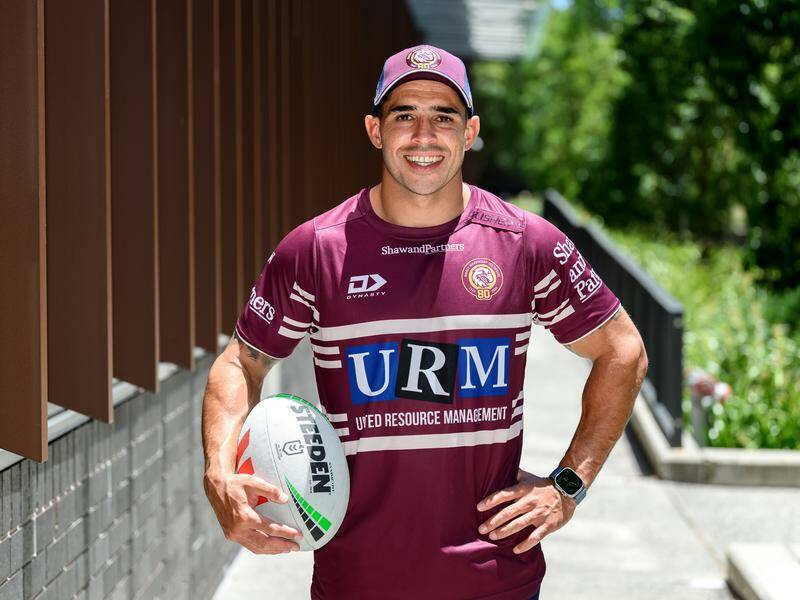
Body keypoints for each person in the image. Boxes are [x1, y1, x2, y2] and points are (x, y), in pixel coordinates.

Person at [202, 44, 648, 600]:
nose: (423, 135)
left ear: (469, 131)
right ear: (374, 129)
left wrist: (568, 484)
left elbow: (623, 350)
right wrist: (219, 470)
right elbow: (241, 362)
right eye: (403, 115)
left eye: (444, 116)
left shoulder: (525, 243)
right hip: (357, 580)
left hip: (495, 580)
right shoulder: (316, 250)